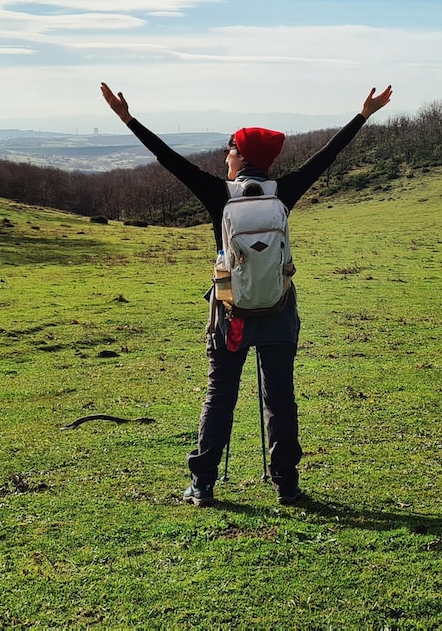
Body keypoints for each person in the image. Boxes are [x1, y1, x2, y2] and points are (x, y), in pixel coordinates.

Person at [99, 81, 393, 506]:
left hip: (231, 315)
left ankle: (202, 485)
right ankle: (286, 484)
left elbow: (166, 157)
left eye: (230, 150)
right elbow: (327, 156)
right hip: (278, 311)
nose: (225, 157)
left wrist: (127, 119)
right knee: (280, 397)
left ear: (242, 156)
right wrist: (363, 115)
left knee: (220, 395)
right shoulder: (285, 191)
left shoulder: (218, 195)